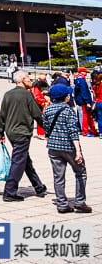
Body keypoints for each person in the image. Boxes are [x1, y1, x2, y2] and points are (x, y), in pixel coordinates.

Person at [0, 70, 47, 202]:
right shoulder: (27, 95)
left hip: (10, 132)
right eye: (28, 79)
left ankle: (38, 186)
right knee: (18, 161)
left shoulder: (8, 94)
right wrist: (48, 128)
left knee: (25, 160)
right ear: (21, 80)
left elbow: (2, 114)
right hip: (22, 132)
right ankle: (9, 191)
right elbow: (37, 114)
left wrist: (0, 132)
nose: (30, 81)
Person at [43, 83, 92, 213]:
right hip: (69, 147)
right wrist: (78, 151)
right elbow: (73, 132)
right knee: (80, 173)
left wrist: (51, 141)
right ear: (66, 97)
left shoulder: (47, 109)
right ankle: (80, 202)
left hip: (53, 148)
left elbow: (46, 130)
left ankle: (62, 204)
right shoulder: (69, 110)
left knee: (58, 176)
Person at [73, 67, 97, 137]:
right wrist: (87, 102)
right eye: (85, 72)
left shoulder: (77, 80)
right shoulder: (82, 81)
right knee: (85, 116)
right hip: (84, 101)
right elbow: (84, 92)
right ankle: (85, 131)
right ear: (81, 72)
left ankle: (88, 130)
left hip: (80, 100)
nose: (86, 73)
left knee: (85, 116)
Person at [32, 74, 50, 140]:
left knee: (41, 119)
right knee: (40, 119)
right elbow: (37, 98)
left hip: (40, 104)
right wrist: (45, 99)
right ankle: (41, 133)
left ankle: (41, 133)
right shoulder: (36, 87)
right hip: (38, 105)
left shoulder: (37, 86)